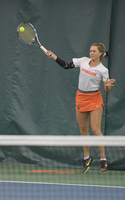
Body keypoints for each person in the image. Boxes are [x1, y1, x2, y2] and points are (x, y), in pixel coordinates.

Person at [44, 43, 116, 173]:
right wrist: (53, 56)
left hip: (94, 99)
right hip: (81, 98)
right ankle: (87, 158)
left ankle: (103, 159)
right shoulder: (83, 61)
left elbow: (107, 90)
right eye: (90, 51)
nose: (91, 53)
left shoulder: (103, 70)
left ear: (100, 53)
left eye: (94, 51)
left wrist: (107, 85)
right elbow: (66, 65)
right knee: (83, 130)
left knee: (95, 130)